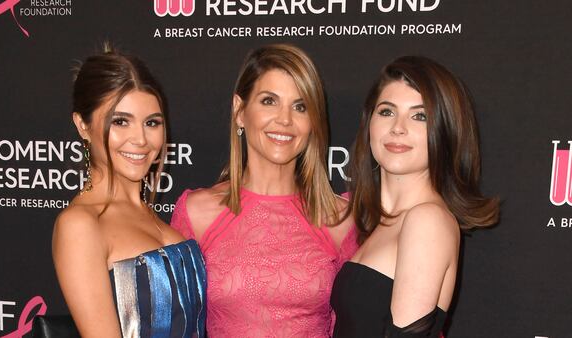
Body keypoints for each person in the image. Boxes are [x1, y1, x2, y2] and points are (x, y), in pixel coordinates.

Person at [170, 44, 358, 337]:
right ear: (240, 111)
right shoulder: (196, 213)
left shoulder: (340, 218)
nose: (285, 119)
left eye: (300, 106)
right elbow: (177, 324)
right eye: (269, 101)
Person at [330, 56, 499, 337]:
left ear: (445, 132)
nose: (398, 127)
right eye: (386, 111)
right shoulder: (380, 223)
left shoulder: (426, 220)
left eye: (420, 116)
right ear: (369, 122)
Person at [52, 46, 206, 338]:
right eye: (121, 121)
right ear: (83, 125)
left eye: (152, 123)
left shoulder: (149, 213)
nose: (140, 139)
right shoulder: (81, 225)